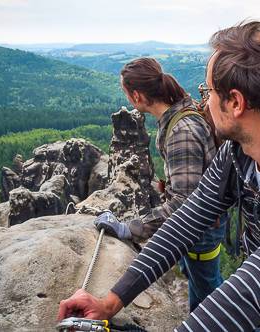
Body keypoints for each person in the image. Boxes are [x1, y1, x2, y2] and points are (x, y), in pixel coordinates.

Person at [58, 21, 260, 331]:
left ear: (236, 102)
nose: (204, 100)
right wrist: (110, 303)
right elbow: (184, 224)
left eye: (207, 90)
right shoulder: (238, 152)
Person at [93, 57, 226, 312]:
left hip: (200, 232)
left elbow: (185, 206)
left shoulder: (181, 132)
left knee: (207, 301)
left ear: (136, 96)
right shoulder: (179, 114)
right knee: (200, 283)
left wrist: (129, 229)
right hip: (204, 229)